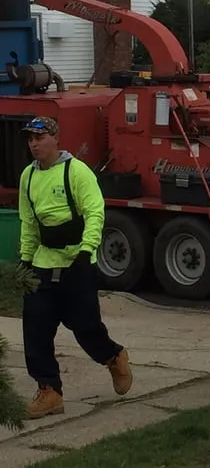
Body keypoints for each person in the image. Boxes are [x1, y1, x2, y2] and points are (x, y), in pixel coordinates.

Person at [18, 116, 132, 419]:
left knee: (85, 328)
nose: (34, 144)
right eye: (30, 139)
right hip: (43, 264)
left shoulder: (76, 172)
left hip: (76, 264)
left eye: (40, 138)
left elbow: (95, 212)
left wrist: (85, 252)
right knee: (35, 328)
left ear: (56, 139)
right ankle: (49, 391)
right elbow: (29, 223)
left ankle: (114, 356)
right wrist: (25, 261)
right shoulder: (27, 177)